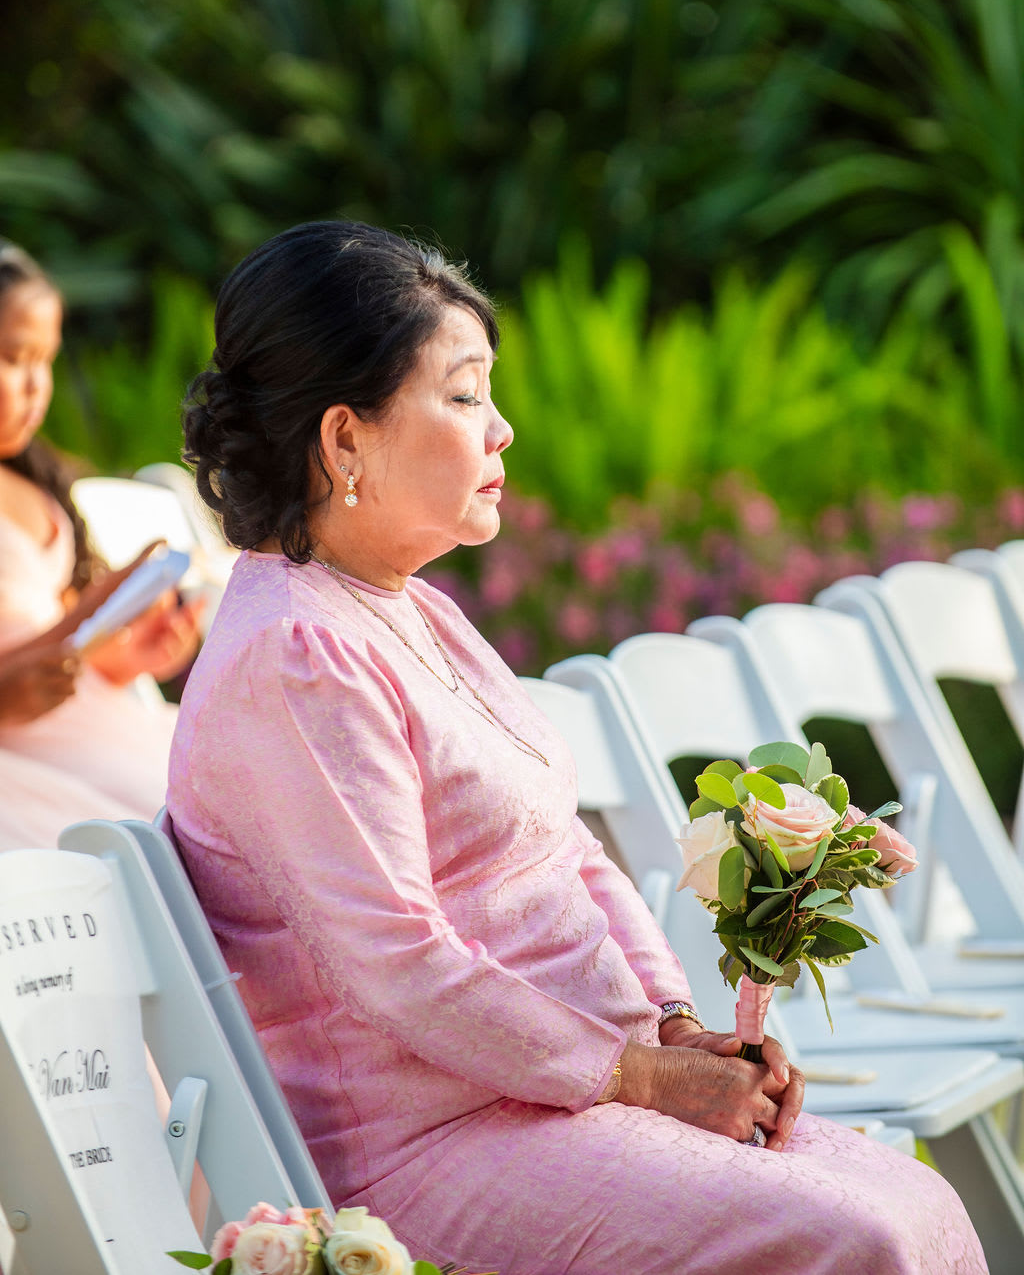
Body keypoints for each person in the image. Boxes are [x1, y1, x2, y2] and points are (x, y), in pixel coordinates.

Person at [168, 220, 984, 1275]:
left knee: (913, 1200)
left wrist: (677, 1030)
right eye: (463, 396)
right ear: (343, 440)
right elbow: (400, 965)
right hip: (423, 1147)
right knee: (853, 1236)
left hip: (561, 1095)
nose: (501, 428)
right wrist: (639, 1077)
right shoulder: (295, 655)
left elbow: (567, 851)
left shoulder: (405, 607)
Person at [0, 240, 202, 847]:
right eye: (14, 358)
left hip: (86, 722)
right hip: (27, 756)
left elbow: (56, 642)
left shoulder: (33, 483)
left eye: (47, 361)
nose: (38, 386)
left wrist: (128, 651)